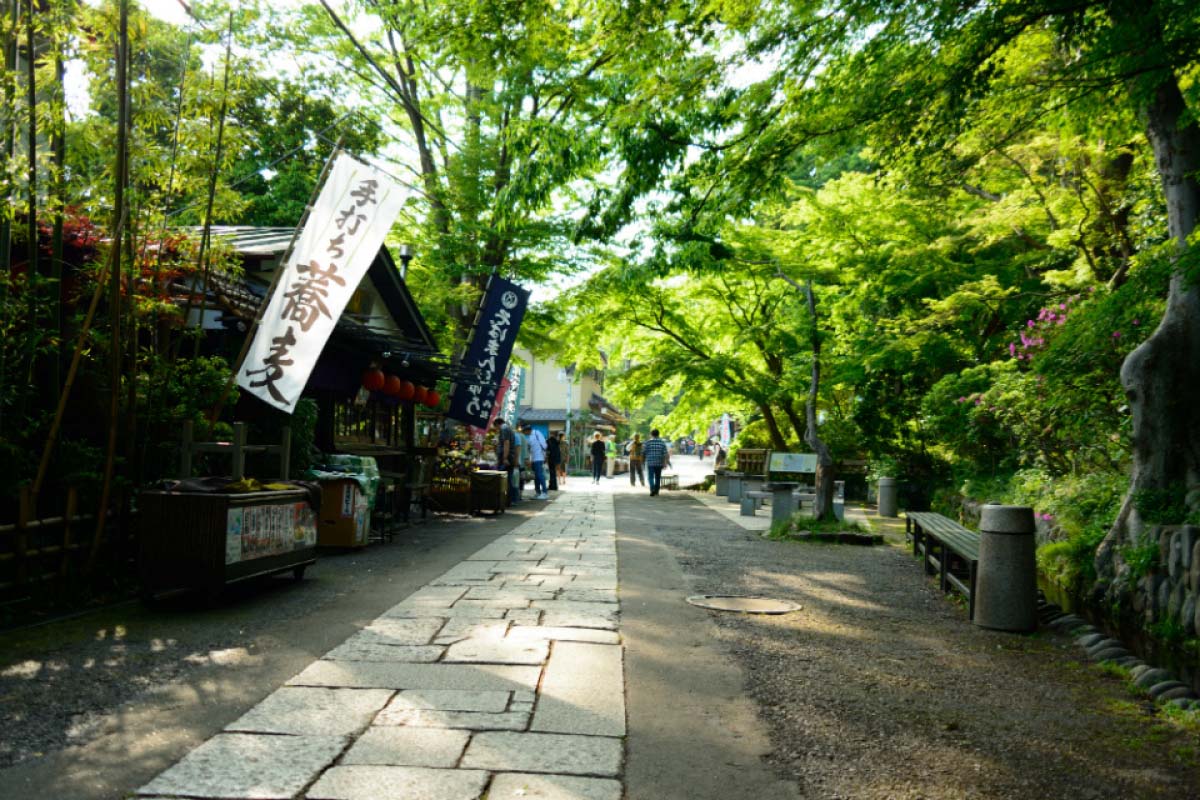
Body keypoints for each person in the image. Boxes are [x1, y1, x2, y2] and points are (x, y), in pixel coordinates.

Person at [492, 417, 518, 504]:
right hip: (509, 457)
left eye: (496, 427)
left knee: (504, 480)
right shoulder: (508, 428)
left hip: (506, 458)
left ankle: (508, 500)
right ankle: (511, 500)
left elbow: (506, 443)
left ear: (497, 424)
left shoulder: (504, 428)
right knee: (508, 479)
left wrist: (505, 458)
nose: (497, 430)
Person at [522, 423, 549, 500]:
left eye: (524, 431)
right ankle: (538, 493)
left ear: (528, 430)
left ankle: (545, 493)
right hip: (534, 459)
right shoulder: (530, 437)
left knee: (540, 476)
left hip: (539, 458)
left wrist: (544, 455)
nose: (524, 433)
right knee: (536, 477)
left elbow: (544, 446)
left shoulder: (537, 433)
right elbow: (530, 449)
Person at [643, 428, 671, 496]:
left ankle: (652, 489)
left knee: (650, 477)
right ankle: (657, 491)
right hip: (659, 463)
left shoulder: (648, 442)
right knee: (658, 477)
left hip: (650, 463)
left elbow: (643, 452)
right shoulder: (662, 443)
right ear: (658, 434)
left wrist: (643, 461)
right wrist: (665, 463)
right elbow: (665, 454)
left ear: (651, 434)